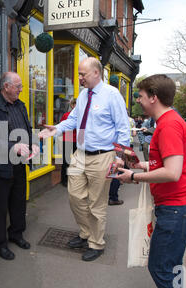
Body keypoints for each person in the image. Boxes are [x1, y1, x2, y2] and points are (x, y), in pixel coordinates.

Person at [116, 74, 186, 288]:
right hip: (184, 207)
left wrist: (134, 176)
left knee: (159, 268)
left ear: (154, 98)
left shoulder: (168, 125)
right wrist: (143, 165)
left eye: (141, 96)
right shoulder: (172, 121)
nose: (138, 100)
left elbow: (172, 173)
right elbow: (170, 163)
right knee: (173, 264)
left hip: (179, 209)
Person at [39, 57, 130, 262]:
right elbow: (73, 119)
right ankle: (86, 232)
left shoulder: (112, 95)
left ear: (96, 73)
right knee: (75, 196)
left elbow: (123, 129)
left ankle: (96, 243)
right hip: (80, 155)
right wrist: (57, 128)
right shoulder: (83, 95)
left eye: (83, 74)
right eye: (79, 74)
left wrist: (119, 157)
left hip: (103, 156)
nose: (79, 78)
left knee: (97, 204)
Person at [0, 72, 39, 261]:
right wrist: (14, 147)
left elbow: (27, 128)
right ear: (6, 87)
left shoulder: (20, 105)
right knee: (0, 206)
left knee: (19, 201)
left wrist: (34, 143)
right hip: (1, 164)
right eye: (18, 86)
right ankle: (0, 243)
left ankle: (16, 234)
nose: (21, 89)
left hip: (20, 163)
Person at [60, 98, 77, 187]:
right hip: (70, 139)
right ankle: (65, 180)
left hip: (73, 139)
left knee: (71, 161)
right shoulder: (67, 115)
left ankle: (67, 180)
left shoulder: (67, 115)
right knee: (67, 161)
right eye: (75, 104)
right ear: (72, 105)